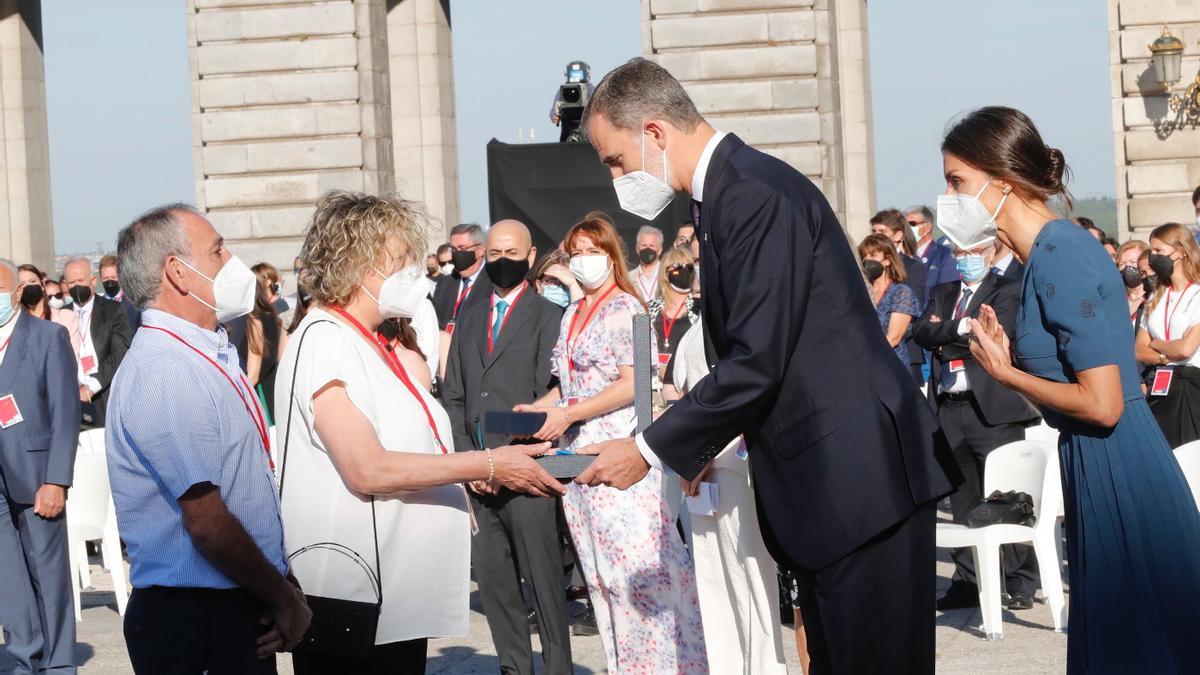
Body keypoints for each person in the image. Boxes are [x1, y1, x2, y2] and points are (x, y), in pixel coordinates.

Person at [575, 57, 959, 673]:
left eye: (614, 160)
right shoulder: (731, 191)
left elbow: (757, 359)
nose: (617, 177)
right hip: (833, 484)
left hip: (859, 480)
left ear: (653, 132)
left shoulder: (749, 192)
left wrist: (647, 449)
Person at [950, 106, 1200, 674]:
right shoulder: (1044, 256)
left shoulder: (1060, 253)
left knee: (1138, 650)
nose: (950, 199)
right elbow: (1074, 396)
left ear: (1002, 181)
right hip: (1093, 458)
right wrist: (1009, 363)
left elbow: (1104, 404)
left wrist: (1008, 374)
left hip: (1119, 466)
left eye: (957, 182)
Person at [276, 191, 563, 674]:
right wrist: (488, 464)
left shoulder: (377, 341)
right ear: (365, 269)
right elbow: (366, 467)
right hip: (352, 595)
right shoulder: (324, 338)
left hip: (391, 592)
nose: (414, 274)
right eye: (402, 262)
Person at [106, 203, 312, 674]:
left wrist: (280, 583)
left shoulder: (206, 352)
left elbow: (245, 488)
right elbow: (207, 520)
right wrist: (284, 599)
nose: (230, 258)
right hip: (195, 617)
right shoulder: (166, 370)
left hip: (232, 600)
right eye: (217, 249)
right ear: (178, 272)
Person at [515, 216, 708, 673]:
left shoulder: (628, 309)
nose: (584, 260)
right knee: (601, 582)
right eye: (575, 251)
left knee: (638, 582)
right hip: (577, 465)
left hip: (620, 461)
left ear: (610, 255)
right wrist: (539, 411)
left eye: (592, 251)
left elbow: (633, 384)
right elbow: (569, 385)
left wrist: (569, 414)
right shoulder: (570, 314)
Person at [442, 219, 572, 675]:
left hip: (528, 470)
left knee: (544, 585)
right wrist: (470, 461)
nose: (501, 262)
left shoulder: (549, 317)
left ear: (531, 255)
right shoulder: (470, 319)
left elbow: (547, 398)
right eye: (494, 254)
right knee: (496, 586)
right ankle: (514, 667)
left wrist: (497, 450)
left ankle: (556, 667)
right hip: (478, 477)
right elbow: (454, 396)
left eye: (510, 253)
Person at [911, 242, 1042, 612]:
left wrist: (949, 336)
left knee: (1009, 497)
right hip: (950, 408)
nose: (965, 256)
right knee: (963, 500)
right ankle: (969, 580)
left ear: (989, 251)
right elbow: (920, 333)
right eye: (958, 250)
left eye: (973, 249)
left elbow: (991, 339)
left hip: (992, 409)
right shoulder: (943, 291)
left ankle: (1020, 580)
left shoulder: (1005, 290)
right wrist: (961, 327)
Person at [672, 315, 790, 674]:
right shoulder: (695, 330)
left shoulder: (749, 323)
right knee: (713, 585)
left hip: (741, 467)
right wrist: (690, 455)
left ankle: (766, 668)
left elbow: (752, 393)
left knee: (753, 582)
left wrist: (703, 452)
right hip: (701, 477)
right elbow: (684, 394)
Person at [0, 258, 80, 675]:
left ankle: (60, 663)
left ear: (16, 294)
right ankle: (21, 658)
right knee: (8, 580)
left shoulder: (47, 338)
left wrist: (57, 479)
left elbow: (66, 412)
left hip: (35, 474)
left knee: (48, 576)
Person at [1134, 223, 1200, 448]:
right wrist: (1164, 356)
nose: (1152, 257)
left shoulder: (1197, 294)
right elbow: (1139, 350)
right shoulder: (1155, 298)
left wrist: (1157, 343)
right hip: (1161, 384)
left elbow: (1186, 349)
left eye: (1158, 251)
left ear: (1180, 251)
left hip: (1192, 387)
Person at [61, 257, 134, 426]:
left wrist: (91, 387)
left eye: (81, 280)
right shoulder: (60, 316)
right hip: (72, 398)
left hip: (105, 395)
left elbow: (119, 353)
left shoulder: (114, 310)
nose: (77, 286)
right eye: (71, 282)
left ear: (93, 280)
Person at [871, 208, 927, 383]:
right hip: (877, 349)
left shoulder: (912, 266)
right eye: (874, 231)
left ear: (898, 235)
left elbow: (916, 307)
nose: (877, 236)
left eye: (882, 232)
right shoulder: (871, 269)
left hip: (906, 351)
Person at [858, 234, 920, 367]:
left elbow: (893, 338)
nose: (867, 260)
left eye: (873, 256)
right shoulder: (860, 291)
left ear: (887, 260)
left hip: (890, 364)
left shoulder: (901, 293)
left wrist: (866, 357)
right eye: (864, 256)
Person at [649, 245, 697, 378]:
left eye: (689, 268)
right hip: (650, 387)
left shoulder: (699, 311)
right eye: (678, 267)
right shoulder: (648, 310)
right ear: (665, 274)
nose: (684, 272)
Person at [432, 223, 491, 332]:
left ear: (480, 250)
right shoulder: (444, 284)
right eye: (453, 250)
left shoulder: (494, 283)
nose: (457, 254)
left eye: (462, 248)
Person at [248, 263, 287, 423]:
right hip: (272, 393)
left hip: (266, 394)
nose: (282, 282)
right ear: (270, 284)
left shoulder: (257, 318)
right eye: (278, 281)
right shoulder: (278, 313)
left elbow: (253, 375)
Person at [906, 205, 958, 292]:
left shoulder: (945, 256)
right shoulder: (902, 257)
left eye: (912, 224)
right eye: (904, 225)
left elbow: (947, 292)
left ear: (927, 227)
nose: (907, 228)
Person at [101, 253, 142, 329]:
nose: (110, 282)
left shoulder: (135, 306)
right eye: (106, 278)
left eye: (113, 277)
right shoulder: (96, 308)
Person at [1116, 240, 1150, 327]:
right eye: (1122, 264)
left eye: (1133, 262)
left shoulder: (1153, 298)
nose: (1127, 267)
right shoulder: (1117, 300)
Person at [630, 224, 664, 302]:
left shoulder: (668, 275)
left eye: (651, 246)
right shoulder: (627, 279)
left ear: (660, 250)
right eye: (644, 245)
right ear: (637, 248)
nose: (647, 249)